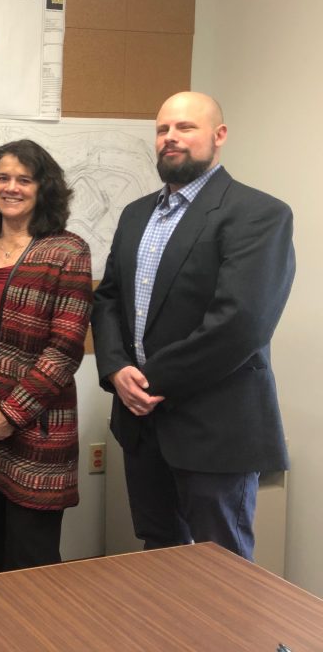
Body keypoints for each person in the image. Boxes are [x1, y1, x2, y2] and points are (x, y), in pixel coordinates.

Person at [91, 91, 295, 560]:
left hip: (215, 429)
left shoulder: (259, 214)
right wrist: (116, 370)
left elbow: (241, 323)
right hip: (142, 425)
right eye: (162, 129)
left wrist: (148, 381)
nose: (171, 137)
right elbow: (108, 300)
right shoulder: (136, 214)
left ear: (219, 136)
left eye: (185, 127)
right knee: (159, 555)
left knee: (219, 567)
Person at [0, 138, 92, 574]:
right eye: (2, 178)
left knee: (32, 567)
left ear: (44, 188)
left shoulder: (67, 252)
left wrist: (10, 414)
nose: (11, 187)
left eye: (24, 179)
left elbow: (65, 348)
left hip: (38, 434)